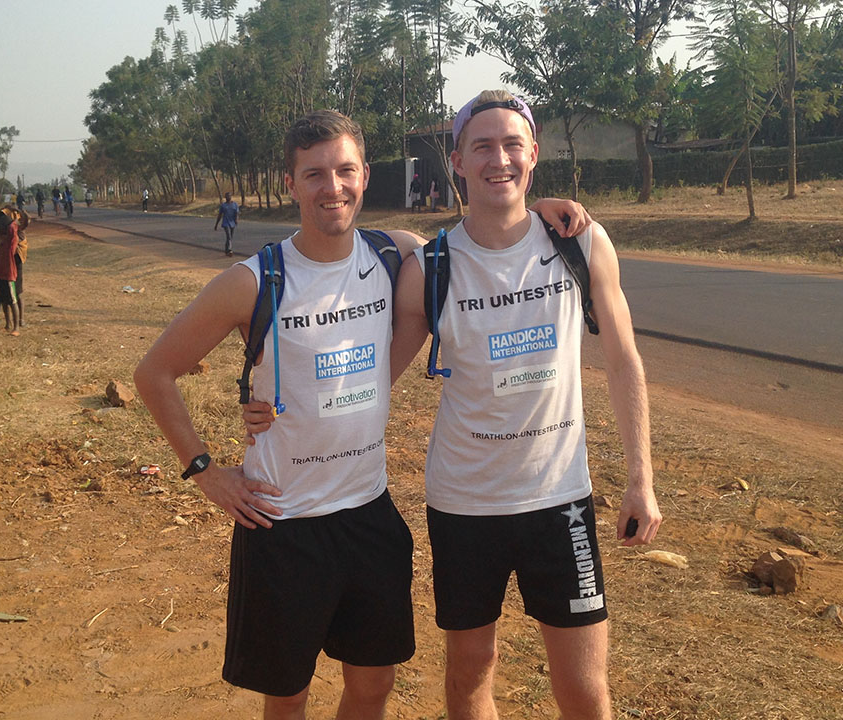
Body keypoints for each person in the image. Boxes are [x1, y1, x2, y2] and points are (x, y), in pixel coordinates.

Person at [246, 91, 659, 720]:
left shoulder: (582, 244)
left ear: (534, 155)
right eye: (483, 147)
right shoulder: (431, 266)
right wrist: (270, 405)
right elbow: (369, 372)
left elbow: (625, 361)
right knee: (469, 675)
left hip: (561, 498)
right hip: (464, 506)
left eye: (513, 145)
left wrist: (640, 480)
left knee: (584, 691)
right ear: (457, 161)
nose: (500, 159)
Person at [133, 111, 418, 719]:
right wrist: (206, 471)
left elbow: (481, 239)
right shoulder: (253, 281)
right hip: (282, 523)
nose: (331, 187)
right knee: (287, 698)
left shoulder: (395, 255)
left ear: (365, 176)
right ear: (289, 183)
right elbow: (154, 373)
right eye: (313, 173)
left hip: (369, 513)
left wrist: (549, 208)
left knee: (373, 688)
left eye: (344, 170)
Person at [0, 207, 21, 336]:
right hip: (0, 274)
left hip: (8, 274)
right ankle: (7, 325)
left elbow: (14, 230)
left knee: (12, 301)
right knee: (2, 300)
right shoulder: (0, 238)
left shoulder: (10, 240)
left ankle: (16, 328)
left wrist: (9, 219)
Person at [213, 192, 240, 257]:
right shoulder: (223, 205)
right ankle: (230, 250)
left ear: (231, 197)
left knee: (230, 237)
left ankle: (226, 250)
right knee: (229, 236)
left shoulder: (235, 204)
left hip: (232, 223)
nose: (228, 197)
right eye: (226, 196)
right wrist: (216, 224)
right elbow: (220, 215)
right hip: (226, 223)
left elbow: (237, 213)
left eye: (229, 196)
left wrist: (236, 220)